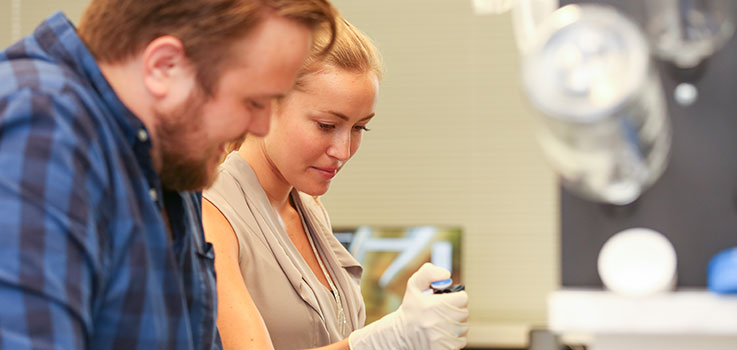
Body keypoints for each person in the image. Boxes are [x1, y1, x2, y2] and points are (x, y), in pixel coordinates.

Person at [0, 0, 336, 349]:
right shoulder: (42, 128)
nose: (260, 126)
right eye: (252, 101)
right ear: (165, 67)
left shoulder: (173, 157)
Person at [202, 18, 469, 350]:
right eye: (327, 125)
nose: (343, 151)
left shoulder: (310, 211)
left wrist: (411, 329)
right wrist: (383, 339)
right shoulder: (211, 215)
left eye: (359, 128)